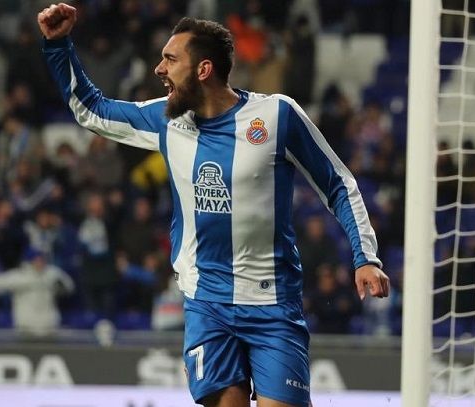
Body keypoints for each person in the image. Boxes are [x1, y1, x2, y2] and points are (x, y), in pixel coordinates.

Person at [37, 4, 389, 407]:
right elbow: (92, 110)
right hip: (208, 305)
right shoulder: (166, 121)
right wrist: (58, 44)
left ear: (203, 70)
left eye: (170, 59)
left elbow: (339, 184)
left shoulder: (276, 116)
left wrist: (366, 257)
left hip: (272, 305)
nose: (158, 69)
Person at [0, 247, 75, 336]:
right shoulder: (20, 276)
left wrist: (61, 286)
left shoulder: (51, 273)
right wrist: (24, 285)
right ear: (29, 261)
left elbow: (69, 286)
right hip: (26, 328)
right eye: (37, 259)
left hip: (49, 327)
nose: (40, 262)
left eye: (42, 259)